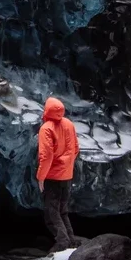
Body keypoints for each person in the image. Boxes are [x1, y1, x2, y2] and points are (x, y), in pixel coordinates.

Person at [37, 96, 79, 251]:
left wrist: (41, 177)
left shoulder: (46, 128)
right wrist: (66, 166)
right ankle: (71, 241)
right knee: (63, 211)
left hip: (52, 176)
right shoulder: (69, 124)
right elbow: (76, 148)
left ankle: (63, 242)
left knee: (51, 213)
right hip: (66, 175)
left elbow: (46, 156)